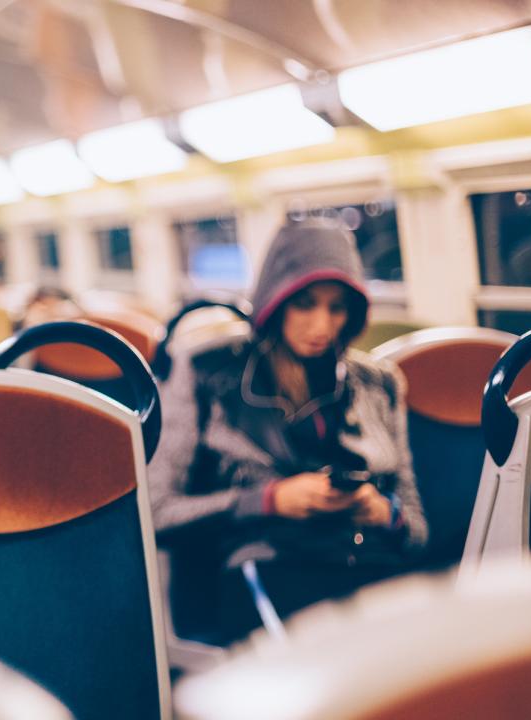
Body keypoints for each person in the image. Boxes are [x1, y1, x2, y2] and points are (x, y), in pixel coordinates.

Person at [150, 218, 427, 644]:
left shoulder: (379, 384)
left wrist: (383, 511)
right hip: (262, 564)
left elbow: (416, 525)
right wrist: (268, 500)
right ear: (276, 300)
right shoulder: (207, 373)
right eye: (306, 304)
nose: (322, 326)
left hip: (367, 560)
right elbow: (158, 512)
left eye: (337, 308)